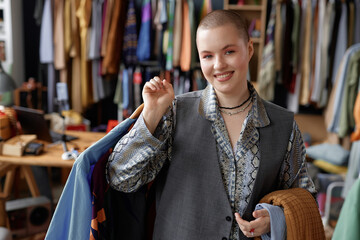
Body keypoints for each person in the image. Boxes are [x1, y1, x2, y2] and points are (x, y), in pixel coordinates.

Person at [106, 9, 316, 240]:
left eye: (229, 51)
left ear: (249, 49)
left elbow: (305, 198)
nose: (219, 65)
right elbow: (121, 179)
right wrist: (152, 114)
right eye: (207, 56)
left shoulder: (284, 125)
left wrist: (274, 219)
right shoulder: (174, 113)